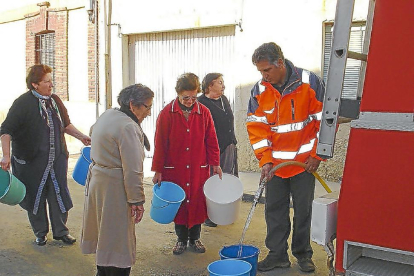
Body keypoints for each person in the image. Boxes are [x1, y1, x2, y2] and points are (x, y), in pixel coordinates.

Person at [246, 42, 325, 273]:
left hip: (304, 164)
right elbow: (257, 128)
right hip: (275, 167)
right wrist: (265, 160)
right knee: (275, 211)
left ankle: (303, 255)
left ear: (280, 63)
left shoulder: (310, 82)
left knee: (303, 211)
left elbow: (324, 121)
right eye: (260, 71)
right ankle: (277, 255)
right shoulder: (259, 90)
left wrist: (316, 155)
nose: (263, 76)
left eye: (266, 70)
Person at [0, 64, 91, 246]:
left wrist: (82, 137)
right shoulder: (22, 103)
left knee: (58, 195)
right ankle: (40, 233)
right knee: (35, 196)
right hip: (31, 161)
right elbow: (6, 131)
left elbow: (66, 124)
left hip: (56, 160)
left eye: (51, 81)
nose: (51, 85)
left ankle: (61, 232)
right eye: (47, 82)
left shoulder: (55, 101)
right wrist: (6, 156)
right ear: (35, 84)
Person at [80, 84, 154, 276]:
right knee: (118, 239)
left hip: (99, 182)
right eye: (147, 107)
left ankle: (102, 272)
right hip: (114, 187)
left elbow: (93, 131)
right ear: (133, 105)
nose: (148, 112)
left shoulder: (109, 115)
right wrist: (137, 200)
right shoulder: (128, 126)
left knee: (104, 234)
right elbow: (133, 170)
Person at [152, 73, 222, 255]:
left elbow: (212, 140)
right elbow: (160, 143)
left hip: (199, 167)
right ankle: (181, 239)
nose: (190, 101)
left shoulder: (204, 112)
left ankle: (195, 238)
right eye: (186, 97)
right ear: (178, 94)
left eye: (193, 97)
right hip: (175, 169)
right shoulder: (167, 113)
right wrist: (158, 170)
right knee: (181, 204)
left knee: (198, 202)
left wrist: (215, 163)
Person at [198, 73, 238, 227]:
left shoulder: (224, 99)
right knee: (211, 181)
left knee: (226, 179)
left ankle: (224, 212)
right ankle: (209, 215)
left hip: (227, 146)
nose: (223, 85)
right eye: (220, 82)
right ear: (209, 85)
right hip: (209, 150)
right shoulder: (201, 103)